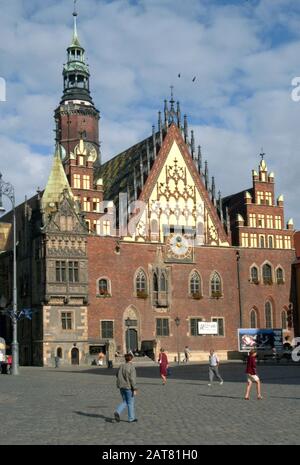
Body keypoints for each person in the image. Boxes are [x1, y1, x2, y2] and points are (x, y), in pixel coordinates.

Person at [114, 353, 138, 423]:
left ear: (125, 359)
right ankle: (131, 418)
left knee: (125, 401)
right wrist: (135, 388)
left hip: (121, 387)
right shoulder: (132, 367)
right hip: (128, 387)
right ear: (132, 358)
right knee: (130, 402)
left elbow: (116, 375)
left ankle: (117, 411)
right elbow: (132, 379)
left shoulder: (121, 366)